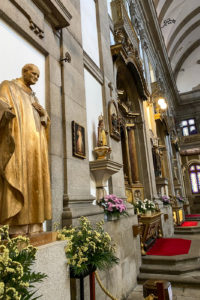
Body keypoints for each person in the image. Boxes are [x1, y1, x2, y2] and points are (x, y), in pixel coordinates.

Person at [0, 64, 52, 235]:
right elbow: (2, 104)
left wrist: (44, 115)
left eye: (38, 76)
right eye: (34, 74)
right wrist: (5, 110)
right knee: (19, 176)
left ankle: (35, 224)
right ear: (24, 72)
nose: (36, 78)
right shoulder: (9, 86)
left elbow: (44, 120)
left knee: (35, 178)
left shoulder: (33, 97)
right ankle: (17, 225)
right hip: (19, 141)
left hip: (36, 147)